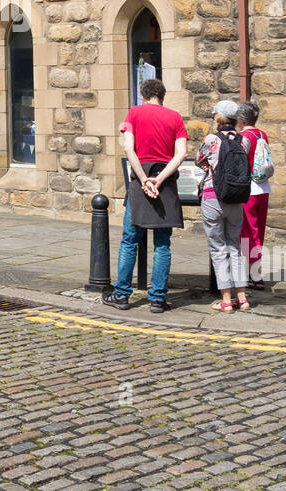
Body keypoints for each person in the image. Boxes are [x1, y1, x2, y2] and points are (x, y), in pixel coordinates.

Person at [103, 77, 188, 314]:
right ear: (163, 96)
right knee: (163, 243)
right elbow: (181, 153)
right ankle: (158, 300)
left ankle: (121, 295)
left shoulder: (134, 113)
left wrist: (144, 180)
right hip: (166, 182)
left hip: (140, 180)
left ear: (143, 95)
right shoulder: (175, 117)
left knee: (130, 240)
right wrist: (159, 180)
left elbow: (128, 148)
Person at [196, 99, 253, 312]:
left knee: (218, 249)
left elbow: (198, 158)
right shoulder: (243, 142)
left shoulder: (211, 139)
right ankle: (243, 298)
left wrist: (206, 164)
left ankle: (226, 301)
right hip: (236, 199)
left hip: (213, 197)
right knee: (235, 247)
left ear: (217, 118)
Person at [236, 100, 274, 289]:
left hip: (248, 189)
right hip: (263, 187)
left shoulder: (243, 137)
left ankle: (253, 275)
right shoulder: (262, 134)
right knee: (258, 230)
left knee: (248, 232)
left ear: (241, 119)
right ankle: (255, 272)